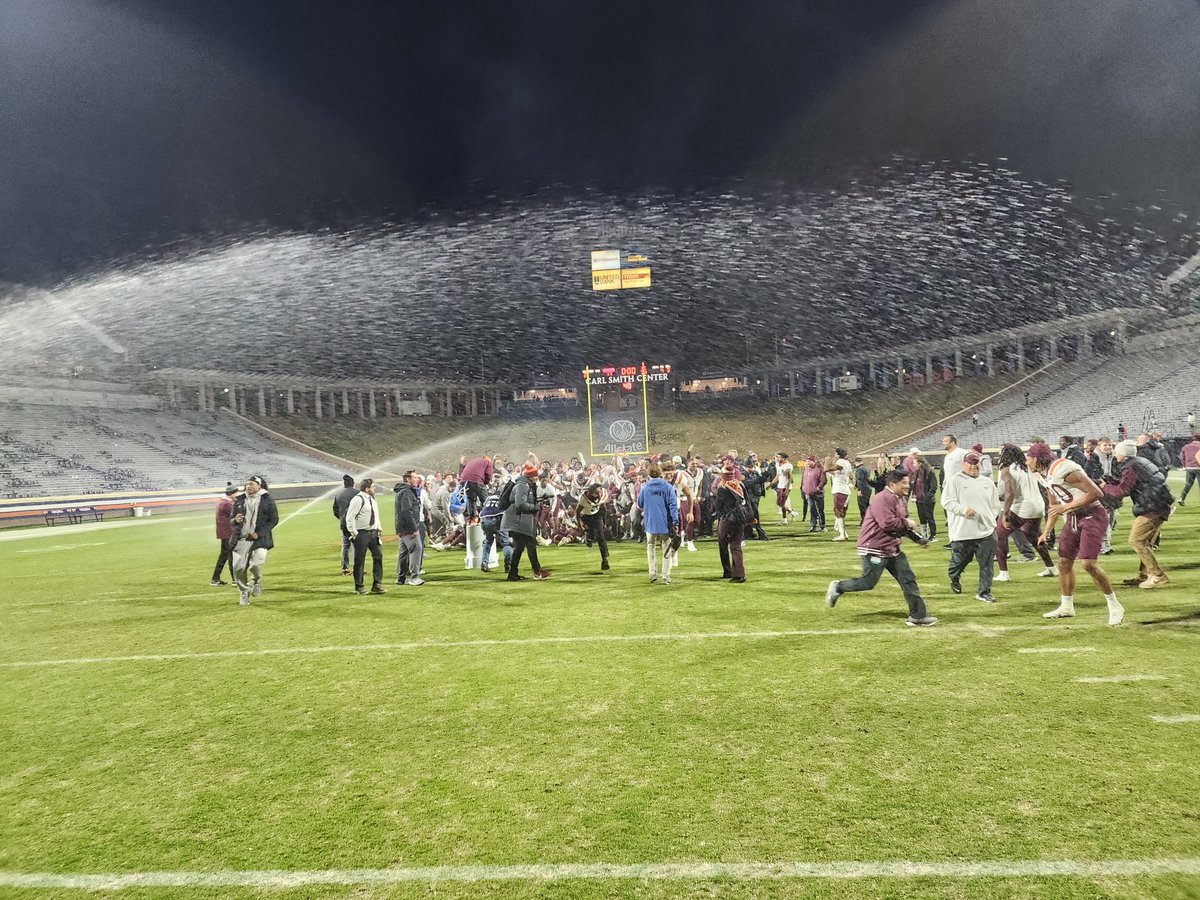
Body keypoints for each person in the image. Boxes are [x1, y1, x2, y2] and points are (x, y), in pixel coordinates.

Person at [1027, 443, 1124, 626]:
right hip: (1073, 518)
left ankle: (1114, 605)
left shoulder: (1063, 468)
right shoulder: (1041, 474)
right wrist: (1046, 531)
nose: (1026, 461)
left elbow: (1096, 492)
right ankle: (1066, 606)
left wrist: (1066, 507)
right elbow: (1053, 506)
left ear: (1037, 459)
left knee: (1088, 564)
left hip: (1092, 515)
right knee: (1064, 562)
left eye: (1029, 457)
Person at [824, 469, 936, 627]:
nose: (907, 486)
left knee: (908, 580)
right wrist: (907, 523)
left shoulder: (899, 499)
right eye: (903, 483)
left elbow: (901, 524)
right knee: (868, 582)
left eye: (907, 482)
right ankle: (838, 586)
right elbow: (887, 522)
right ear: (892, 484)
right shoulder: (882, 498)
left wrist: (919, 539)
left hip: (892, 548)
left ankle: (917, 616)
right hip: (874, 548)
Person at [1103, 439, 1174, 589]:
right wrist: (1113, 481)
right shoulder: (1139, 461)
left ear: (1124, 454)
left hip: (1152, 507)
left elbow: (1123, 491)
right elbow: (1135, 483)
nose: (1116, 455)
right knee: (1144, 542)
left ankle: (1157, 575)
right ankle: (1145, 575)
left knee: (1136, 540)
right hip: (1159, 503)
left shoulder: (1130, 467)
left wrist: (1105, 487)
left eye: (1118, 452)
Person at [941, 450, 1001, 603]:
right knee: (959, 562)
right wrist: (963, 510)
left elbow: (995, 504)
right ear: (964, 464)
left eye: (976, 463)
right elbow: (946, 501)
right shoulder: (955, 480)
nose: (974, 466)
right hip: (963, 532)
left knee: (987, 564)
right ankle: (954, 577)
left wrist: (991, 518)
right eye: (971, 463)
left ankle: (984, 592)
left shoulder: (987, 482)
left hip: (986, 531)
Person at [993, 444, 1055, 582]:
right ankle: (1051, 567)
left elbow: (1010, 490)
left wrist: (1006, 513)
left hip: (1022, 507)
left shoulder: (1006, 468)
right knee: (1033, 537)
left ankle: (1003, 573)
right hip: (1037, 506)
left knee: (999, 535)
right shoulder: (1027, 466)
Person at [230, 475, 278, 606]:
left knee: (255, 565)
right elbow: (231, 519)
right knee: (238, 568)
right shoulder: (239, 500)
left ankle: (256, 581)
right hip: (241, 539)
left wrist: (259, 533)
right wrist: (236, 520)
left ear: (259, 486)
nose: (248, 486)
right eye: (247, 484)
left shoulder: (267, 499)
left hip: (260, 539)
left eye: (251, 484)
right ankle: (244, 592)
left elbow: (274, 520)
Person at [502, 463, 550, 581]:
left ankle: (513, 574)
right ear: (531, 476)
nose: (537, 478)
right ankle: (537, 572)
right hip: (519, 521)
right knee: (531, 545)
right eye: (535, 476)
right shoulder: (523, 486)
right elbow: (520, 504)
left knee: (519, 548)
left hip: (517, 520)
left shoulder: (523, 484)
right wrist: (536, 507)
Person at [638, 462, 679, 584]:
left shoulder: (645, 487)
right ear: (660, 472)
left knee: (650, 547)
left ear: (648, 473)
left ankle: (652, 573)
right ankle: (666, 576)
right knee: (666, 548)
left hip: (650, 522)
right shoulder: (667, 487)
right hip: (664, 522)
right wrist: (675, 521)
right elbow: (673, 505)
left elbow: (639, 503)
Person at [345, 478, 386, 595]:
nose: (375, 488)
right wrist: (354, 533)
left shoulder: (372, 499)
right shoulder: (358, 499)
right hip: (362, 533)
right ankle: (359, 587)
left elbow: (375, 516)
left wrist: (379, 529)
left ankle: (377, 584)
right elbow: (350, 517)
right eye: (373, 487)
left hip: (374, 532)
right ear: (367, 488)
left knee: (378, 557)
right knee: (360, 560)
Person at [714, 464, 748, 582]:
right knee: (736, 546)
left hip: (727, 519)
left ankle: (728, 571)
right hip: (741, 518)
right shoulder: (740, 485)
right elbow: (747, 502)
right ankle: (739, 573)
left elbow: (718, 505)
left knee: (723, 544)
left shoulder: (722, 488)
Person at [394, 471, 425, 585]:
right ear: (408, 479)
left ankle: (400, 578)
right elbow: (407, 511)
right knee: (416, 549)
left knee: (403, 553)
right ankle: (414, 577)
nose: (418, 480)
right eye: (415, 478)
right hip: (408, 528)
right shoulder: (406, 492)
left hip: (402, 527)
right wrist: (414, 528)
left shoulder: (404, 491)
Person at [478, 474, 511, 575]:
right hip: (497, 519)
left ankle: (484, 562)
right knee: (506, 542)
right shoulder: (503, 498)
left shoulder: (488, 498)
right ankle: (508, 564)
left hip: (484, 519)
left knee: (487, 542)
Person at [575, 483, 611, 571]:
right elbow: (577, 511)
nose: (598, 495)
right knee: (591, 533)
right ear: (591, 493)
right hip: (586, 516)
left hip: (596, 514)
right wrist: (580, 525)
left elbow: (603, 507)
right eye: (596, 493)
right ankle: (588, 536)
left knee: (600, 536)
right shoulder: (584, 499)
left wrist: (604, 522)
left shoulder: (602, 494)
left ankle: (605, 559)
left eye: (599, 492)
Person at [209, 482, 238, 586]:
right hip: (228, 533)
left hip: (225, 533)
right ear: (233, 493)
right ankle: (235, 579)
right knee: (231, 556)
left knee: (224, 556)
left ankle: (215, 579)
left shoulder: (223, 502)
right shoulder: (226, 504)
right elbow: (235, 514)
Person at [331, 474, 358, 575]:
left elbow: (335, 510)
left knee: (345, 546)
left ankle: (345, 568)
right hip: (356, 523)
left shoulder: (338, 494)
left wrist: (342, 518)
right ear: (353, 484)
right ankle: (358, 568)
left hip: (344, 523)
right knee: (357, 546)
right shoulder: (357, 493)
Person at [941, 434, 967, 539]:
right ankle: (953, 538)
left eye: (946, 441)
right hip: (949, 490)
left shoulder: (962, 453)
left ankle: (963, 537)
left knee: (960, 514)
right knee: (950, 515)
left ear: (953, 442)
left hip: (961, 489)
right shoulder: (947, 456)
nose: (943, 443)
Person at [826, 448, 854, 542]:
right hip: (845, 490)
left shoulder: (841, 462)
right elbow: (850, 476)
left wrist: (826, 461)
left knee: (838, 512)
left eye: (835, 454)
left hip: (840, 490)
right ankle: (843, 533)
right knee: (840, 512)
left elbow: (826, 469)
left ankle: (842, 534)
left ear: (838, 455)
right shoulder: (846, 463)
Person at [912, 456, 939, 542]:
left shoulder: (929, 472)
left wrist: (928, 496)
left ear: (920, 463)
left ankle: (933, 535)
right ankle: (924, 535)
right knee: (921, 517)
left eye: (915, 462)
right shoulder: (917, 472)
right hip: (919, 499)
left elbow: (934, 486)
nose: (913, 464)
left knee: (929, 517)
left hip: (927, 500)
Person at [458, 455, 494, 521]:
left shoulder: (472, 461)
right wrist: (486, 482)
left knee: (471, 499)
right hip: (476, 480)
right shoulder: (488, 462)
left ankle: (472, 517)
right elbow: (489, 474)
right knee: (485, 499)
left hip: (464, 481)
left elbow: (463, 470)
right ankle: (486, 516)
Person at [802, 456, 827, 532]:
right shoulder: (806, 470)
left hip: (818, 494)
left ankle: (822, 526)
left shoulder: (819, 470)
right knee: (812, 510)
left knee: (820, 510)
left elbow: (823, 481)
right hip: (809, 494)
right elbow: (805, 481)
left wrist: (818, 488)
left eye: (809, 461)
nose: (808, 463)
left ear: (814, 461)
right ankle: (813, 526)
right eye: (807, 461)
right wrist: (805, 490)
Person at [773, 453, 795, 523]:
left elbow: (789, 478)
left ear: (784, 458)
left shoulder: (788, 466)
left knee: (782, 504)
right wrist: (771, 484)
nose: (777, 458)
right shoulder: (779, 465)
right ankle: (792, 512)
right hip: (780, 485)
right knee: (778, 503)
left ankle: (785, 520)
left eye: (778, 457)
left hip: (785, 487)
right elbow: (778, 475)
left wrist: (787, 489)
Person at [1180, 433, 1200, 506]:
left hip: (1189, 467)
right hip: (1198, 467)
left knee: (1188, 484)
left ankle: (1182, 498)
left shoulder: (1186, 446)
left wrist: (1184, 465)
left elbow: (1182, 457)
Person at [853, 456, 872, 523]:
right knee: (866, 505)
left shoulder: (860, 469)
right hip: (868, 488)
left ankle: (865, 521)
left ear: (856, 462)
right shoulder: (866, 468)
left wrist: (859, 490)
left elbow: (860, 480)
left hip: (863, 489)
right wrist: (856, 485)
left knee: (862, 506)